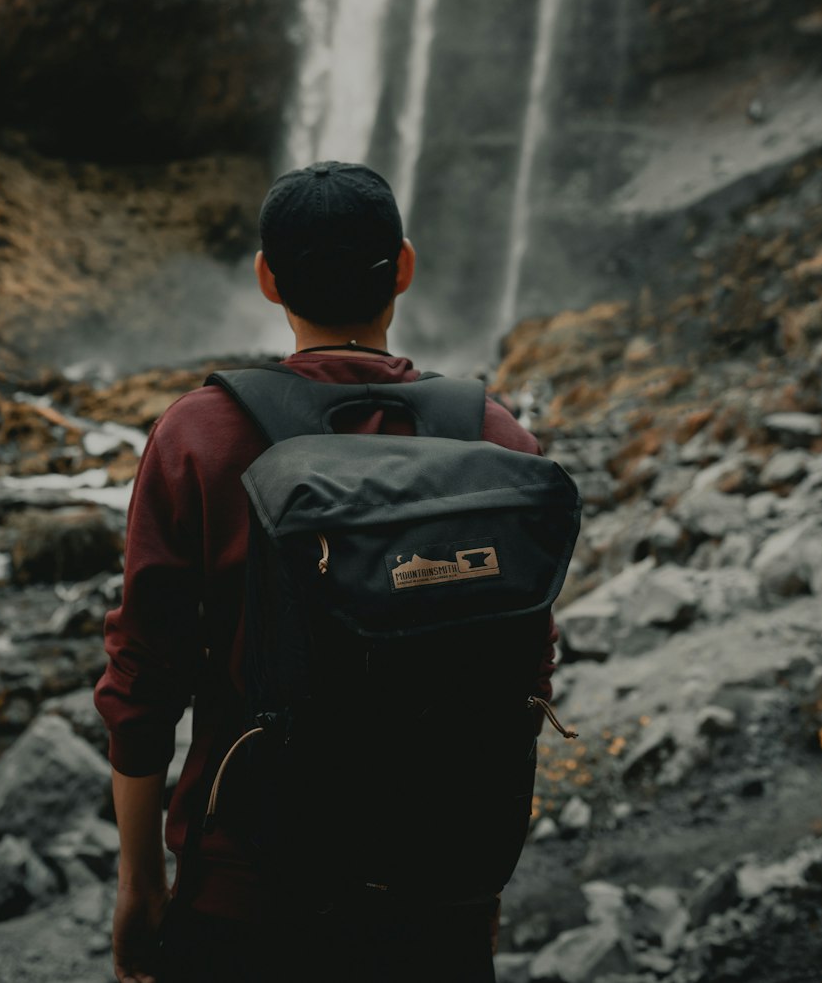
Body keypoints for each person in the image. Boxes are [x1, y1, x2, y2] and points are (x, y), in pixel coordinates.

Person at [95, 160, 558, 983]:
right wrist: (477, 887)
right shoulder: (496, 440)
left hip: (245, 892)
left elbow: (144, 680)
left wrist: (141, 887)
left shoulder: (198, 436)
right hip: (436, 892)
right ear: (405, 267)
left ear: (269, 279)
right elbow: (517, 676)